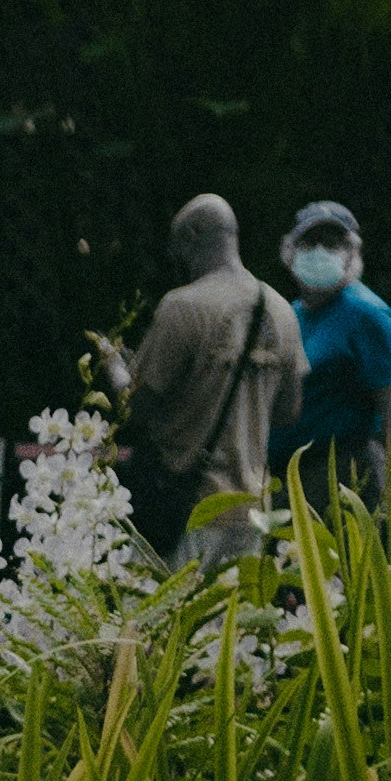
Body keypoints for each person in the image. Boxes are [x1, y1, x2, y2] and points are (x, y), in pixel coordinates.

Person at [117, 192, 305, 568]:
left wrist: (113, 366)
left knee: (172, 620)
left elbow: (134, 410)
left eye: (178, 250)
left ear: (192, 237)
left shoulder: (182, 307)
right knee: (232, 623)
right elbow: (289, 412)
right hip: (253, 510)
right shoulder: (282, 310)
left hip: (191, 504)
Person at [273, 200, 391, 524]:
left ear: (352, 252)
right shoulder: (291, 314)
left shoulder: (366, 313)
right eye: (310, 242)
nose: (320, 251)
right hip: (294, 479)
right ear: (290, 251)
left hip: (347, 474)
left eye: (332, 242)